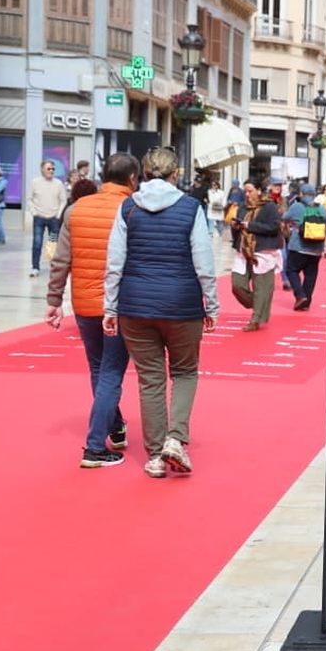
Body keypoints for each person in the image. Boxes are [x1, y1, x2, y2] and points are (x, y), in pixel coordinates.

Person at [103, 146, 220, 479]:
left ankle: (155, 456)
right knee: (184, 372)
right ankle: (175, 438)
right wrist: (211, 303)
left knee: (150, 380)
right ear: (175, 174)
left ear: (144, 172)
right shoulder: (190, 208)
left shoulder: (128, 208)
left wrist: (110, 306)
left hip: (135, 306)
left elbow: (115, 264)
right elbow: (204, 262)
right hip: (182, 305)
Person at [45, 153, 139, 468]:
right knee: (112, 371)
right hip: (120, 304)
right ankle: (95, 446)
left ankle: (115, 426)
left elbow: (61, 258)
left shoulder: (76, 209)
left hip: (84, 303)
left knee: (99, 369)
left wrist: (54, 299)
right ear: (133, 179)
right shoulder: (133, 208)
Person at [229, 181, 282, 331]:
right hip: (243, 250)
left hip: (262, 250)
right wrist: (235, 227)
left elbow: (273, 227)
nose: (247, 194)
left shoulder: (269, 206)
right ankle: (259, 303)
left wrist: (250, 226)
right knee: (237, 284)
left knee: (262, 286)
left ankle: (256, 319)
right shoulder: (242, 207)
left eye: (250, 191)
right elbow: (238, 227)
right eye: (245, 191)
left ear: (258, 191)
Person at [283, 183, 326, 311]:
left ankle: (300, 295)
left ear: (301, 194)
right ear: (314, 195)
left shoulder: (297, 206)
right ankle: (307, 301)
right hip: (316, 249)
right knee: (310, 275)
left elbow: (284, 218)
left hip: (298, 246)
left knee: (291, 270)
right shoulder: (321, 208)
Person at [28, 160, 68, 277]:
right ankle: (35, 267)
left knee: (53, 244)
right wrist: (34, 212)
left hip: (53, 218)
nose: (51, 171)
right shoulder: (35, 182)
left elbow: (63, 200)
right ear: (42, 169)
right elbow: (29, 198)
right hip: (39, 217)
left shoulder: (58, 183)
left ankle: (53, 266)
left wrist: (59, 214)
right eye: (49, 168)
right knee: (37, 243)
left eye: (53, 169)